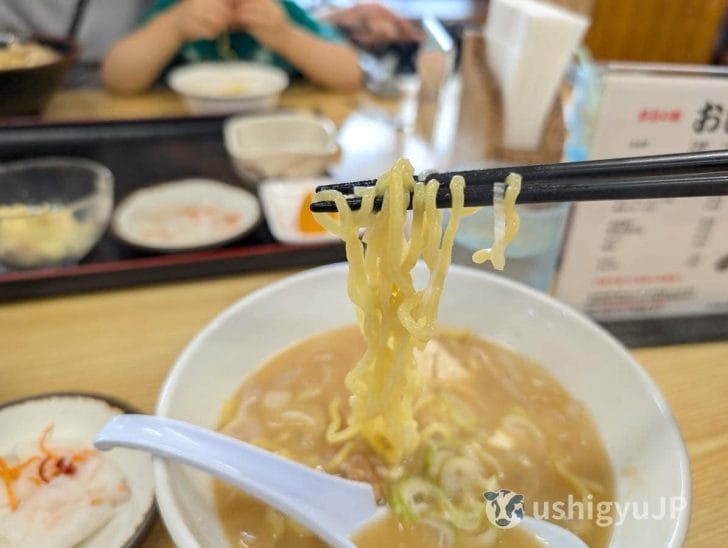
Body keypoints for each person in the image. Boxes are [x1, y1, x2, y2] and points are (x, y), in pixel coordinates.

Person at [101, 0, 363, 95]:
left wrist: (286, 37)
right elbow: (117, 79)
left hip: (275, 135)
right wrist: (171, 28)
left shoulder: (283, 13)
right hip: (191, 137)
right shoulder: (175, 10)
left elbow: (349, 75)